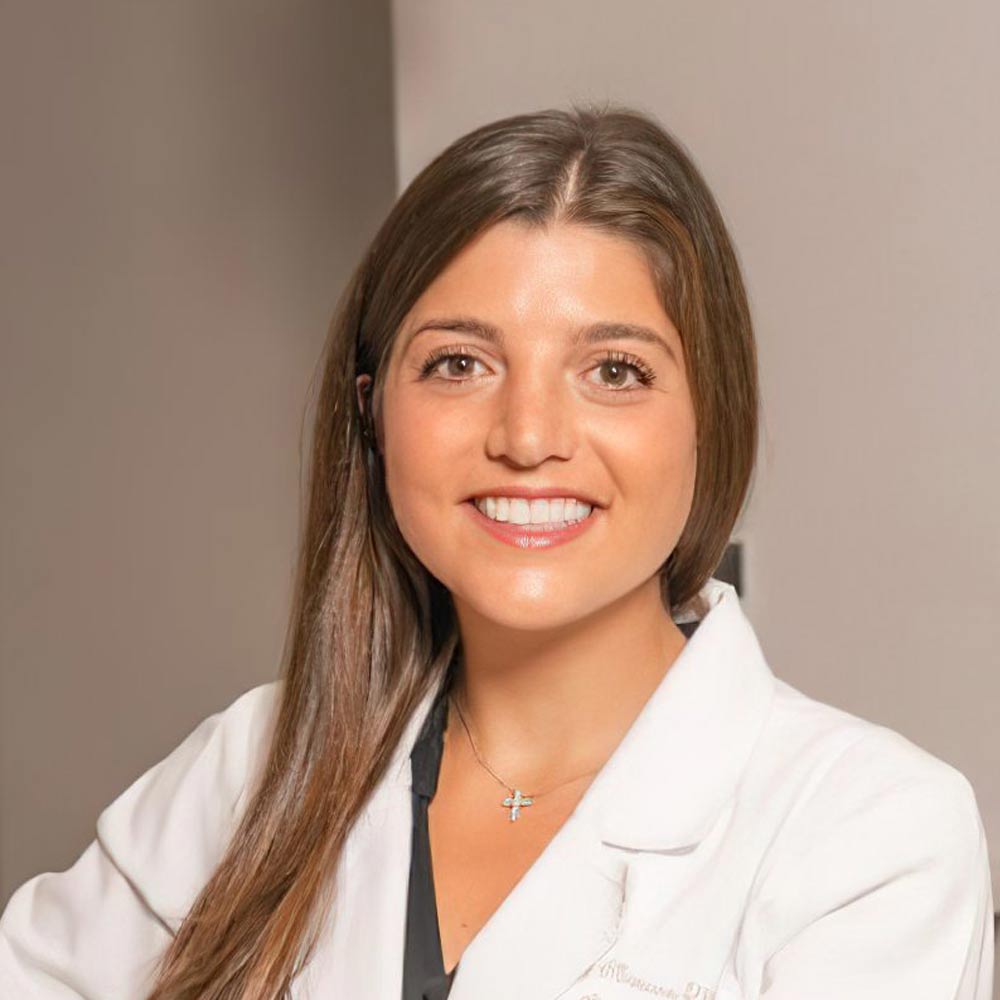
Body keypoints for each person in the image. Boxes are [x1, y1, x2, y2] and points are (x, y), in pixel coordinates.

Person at [0, 103, 993, 1000]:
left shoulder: (872, 836)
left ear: (709, 418)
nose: (527, 436)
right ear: (372, 412)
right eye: (459, 363)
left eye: (614, 370)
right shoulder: (252, 767)